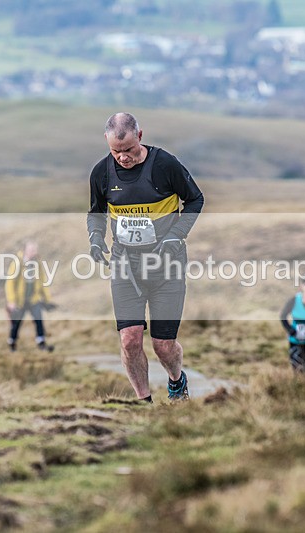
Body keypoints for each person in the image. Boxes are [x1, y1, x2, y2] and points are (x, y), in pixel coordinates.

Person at [87, 112, 204, 402]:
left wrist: (176, 236)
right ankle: (144, 402)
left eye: (128, 150)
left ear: (140, 136)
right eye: (116, 151)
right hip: (125, 266)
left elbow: (195, 199)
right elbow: (96, 213)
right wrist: (95, 239)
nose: (123, 158)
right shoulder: (101, 173)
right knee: (129, 339)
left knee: (163, 345)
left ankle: (177, 380)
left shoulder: (165, 165)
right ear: (107, 141)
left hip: (167, 266)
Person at [5, 241, 56, 352]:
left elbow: (43, 282)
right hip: (20, 300)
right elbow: (10, 283)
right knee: (17, 322)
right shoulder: (17, 263)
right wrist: (11, 301)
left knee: (38, 320)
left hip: (34, 299)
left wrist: (47, 299)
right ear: (25, 250)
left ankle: (41, 343)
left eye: (35, 249)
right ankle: (12, 343)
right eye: (31, 250)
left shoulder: (38, 264)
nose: (34, 252)